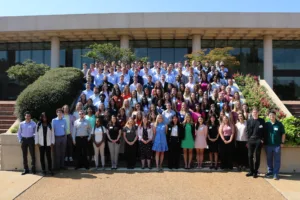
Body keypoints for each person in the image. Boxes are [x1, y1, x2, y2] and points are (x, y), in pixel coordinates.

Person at [265, 110, 286, 180]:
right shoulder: (267, 124)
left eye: (273, 115)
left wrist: (282, 143)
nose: (272, 116)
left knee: (277, 160)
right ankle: (270, 171)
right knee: (269, 159)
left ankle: (275, 173)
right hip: (268, 145)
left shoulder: (279, 124)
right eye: (270, 115)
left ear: (275, 116)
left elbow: (283, 133)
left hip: (277, 145)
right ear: (269, 116)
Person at [246, 107, 266, 178]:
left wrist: (262, 139)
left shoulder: (262, 121)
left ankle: (255, 171)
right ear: (252, 113)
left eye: (256, 112)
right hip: (251, 140)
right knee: (250, 156)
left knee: (257, 156)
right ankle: (251, 171)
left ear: (258, 113)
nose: (255, 113)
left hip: (258, 140)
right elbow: (247, 131)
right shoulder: (249, 121)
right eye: (254, 112)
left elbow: (264, 131)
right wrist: (248, 140)